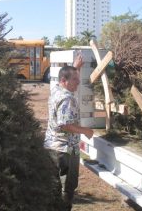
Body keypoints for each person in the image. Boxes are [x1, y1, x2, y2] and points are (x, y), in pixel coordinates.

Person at [44, 53, 94, 211]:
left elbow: (64, 78)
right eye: (75, 79)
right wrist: (85, 130)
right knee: (67, 189)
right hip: (64, 151)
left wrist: (75, 68)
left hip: (52, 147)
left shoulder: (56, 91)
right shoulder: (67, 98)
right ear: (64, 81)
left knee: (53, 186)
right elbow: (65, 125)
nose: (79, 82)